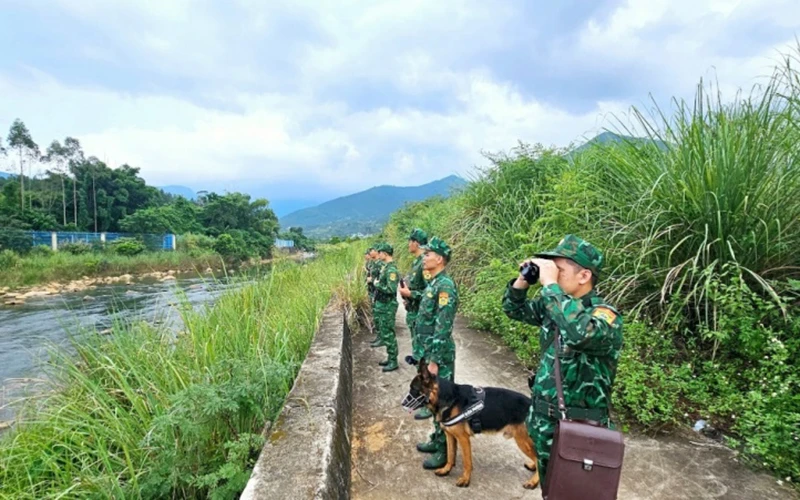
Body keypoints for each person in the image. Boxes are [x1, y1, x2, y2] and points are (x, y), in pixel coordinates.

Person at [501, 235, 623, 491]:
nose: (553, 275)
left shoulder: (603, 315)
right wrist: (524, 279)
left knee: (575, 494)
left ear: (584, 276)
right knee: (551, 490)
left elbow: (582, 333)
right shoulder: (555, 307)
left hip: (580, 430)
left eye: (560, 270)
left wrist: (549, 285)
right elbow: (513, 309)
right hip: (544, 423)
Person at [412, 237, 458, 470]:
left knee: (443, 403)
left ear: (439, 259)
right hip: (428, 350)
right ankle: (437, 439)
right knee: (432, 400)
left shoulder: (445, 286)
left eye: (428, 254)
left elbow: (443, 324)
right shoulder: (434, 282)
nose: (424, 257)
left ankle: (444, 452)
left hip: (437, 354)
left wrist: (434, 360)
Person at [399, 229, 432, 418]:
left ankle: (429, 400)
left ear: (416, 243)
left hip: (422, 317)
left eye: (410, 241)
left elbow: (429, 293)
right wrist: (407, 298)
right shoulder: (415, 263)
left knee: (425, 361)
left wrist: (411, 295)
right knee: (420, 358)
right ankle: (422, 396)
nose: (408, 244)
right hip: (414, 314)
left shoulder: (424, 264)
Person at [371, 243, 400, 372]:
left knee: (388, 333)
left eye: (381, 252)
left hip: (388, 305)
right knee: (385, 331)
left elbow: (391, 289)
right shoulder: (386, 267)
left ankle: (393, 360)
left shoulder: (391, 270)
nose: (379, 254)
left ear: (385, 253)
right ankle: (390, 357)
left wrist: (377, 285)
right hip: (383, 304)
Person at [367, 246, 384, 346]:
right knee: (377, 318)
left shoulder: (381, 264)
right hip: (375, 292)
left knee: (381, 319)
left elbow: (379, 279)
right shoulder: (374, 263)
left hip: (379, 293)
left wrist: (373, 281)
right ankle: (379, 337)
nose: (370, 252)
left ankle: (382, 338)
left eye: (371, 250)